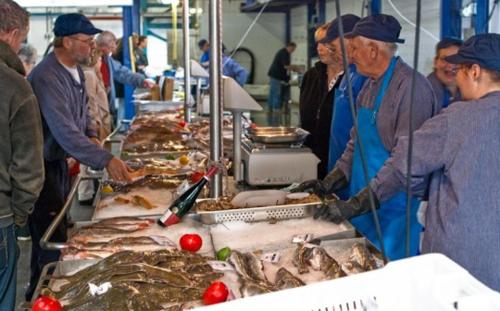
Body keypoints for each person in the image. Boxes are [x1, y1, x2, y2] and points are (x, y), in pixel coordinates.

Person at [335, 34, 500, 290]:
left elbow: (406, 164)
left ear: (475, 71)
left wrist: (417, 191)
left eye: (460, 70)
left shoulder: (458, 118)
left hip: (459, 259)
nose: (455, 76)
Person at [294, 14, 438, 260]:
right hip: (366, 205)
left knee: (389, 279)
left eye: (354, 48)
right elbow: (354, 145)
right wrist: (329, 182)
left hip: (394, 210)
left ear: (372, 50)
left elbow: (405, 162)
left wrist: (356, 203)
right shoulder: (371, 85)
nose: (350, 55)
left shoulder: (412, 89)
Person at [26, 13, 133, 300]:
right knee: (50, 238)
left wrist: (93, 133)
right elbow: (63, 129)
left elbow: (84, 111)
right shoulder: (47, 76)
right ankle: (40, 297)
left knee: (59, 228)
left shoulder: (75, 70)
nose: (92, 47)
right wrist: (104, 159)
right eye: (86, 42)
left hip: (59, 162)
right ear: (67, 41)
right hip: (42, 167)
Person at [0, 1, 44, 308]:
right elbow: (28, 169)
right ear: (12, 34)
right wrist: (18, 219)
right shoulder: (15, 86)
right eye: (21, 40)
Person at [319, 15, 367, 191]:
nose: (331, 53)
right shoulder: (349, 73)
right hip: (339, 165)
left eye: (333, 48)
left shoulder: (365, 76)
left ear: (350, 40)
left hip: (356, 174)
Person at [299, 22, 342, 179]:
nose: (319, 48)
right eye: (318, 43)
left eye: (325, 43)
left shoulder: (351, 80)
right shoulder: (311, 76)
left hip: (339, 157)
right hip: (311, 155)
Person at [96, 31, 154, 122]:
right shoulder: (89, 61)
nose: (114, 48)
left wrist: (142, 80)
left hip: (106, 101)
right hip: (95, 105)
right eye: (111, 46)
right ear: (103, 46)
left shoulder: (107, 59)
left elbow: (122, 72)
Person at [427, 37, 463, 109]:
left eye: (456, 59)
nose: (450, 65)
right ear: (435, 62)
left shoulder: (470, 92)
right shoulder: (424, 91)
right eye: (444, 59)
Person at [267, 42, 297, 112]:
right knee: (277, 92)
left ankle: (271, 108)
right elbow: (286, 66)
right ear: (289, 47)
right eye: (293, 49)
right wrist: (295, 68)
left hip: (274, 75)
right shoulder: (284, 53)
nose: (293, 51)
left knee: (273, 92)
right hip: (276, 76)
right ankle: (276, 109)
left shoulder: (283, 52)